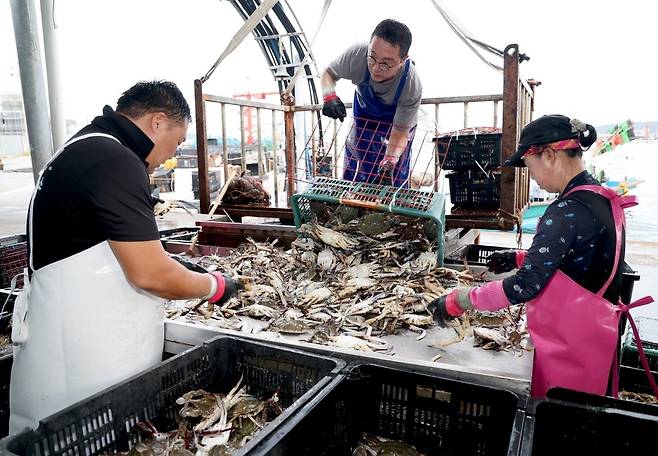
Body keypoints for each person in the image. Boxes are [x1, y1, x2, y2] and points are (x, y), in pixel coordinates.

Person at [9, 81, 242, 433]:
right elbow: (149, 274)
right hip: (82, 371)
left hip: (68, 351)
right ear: (157, 122)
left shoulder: (84, 148)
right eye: (177, 142)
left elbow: (102, 245)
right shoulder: (116, 160)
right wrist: (216, 285)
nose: (169, 156)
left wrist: (180, 267)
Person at [429, 114, 654, 398]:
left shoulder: (565, 211)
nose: (529, 174)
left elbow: (525, 286)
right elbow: (585, 258)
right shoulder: (603, 198)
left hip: (568, 349)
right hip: (596, 338)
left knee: (557, 419)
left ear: (548, 155)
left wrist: (459, 300)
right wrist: (522, 257)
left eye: (528, 165)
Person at [321, 19, 422, 187]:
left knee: (394, 175)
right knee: (357, 171)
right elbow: (329, 73)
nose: (375, 68)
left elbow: (400, 130)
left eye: (385, 64)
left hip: (396, 128)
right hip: (364, 122)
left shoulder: (411, 84)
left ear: (403, 60)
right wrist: (329, 96)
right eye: (372, 58)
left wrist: (389, 161)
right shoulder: (357, 54)